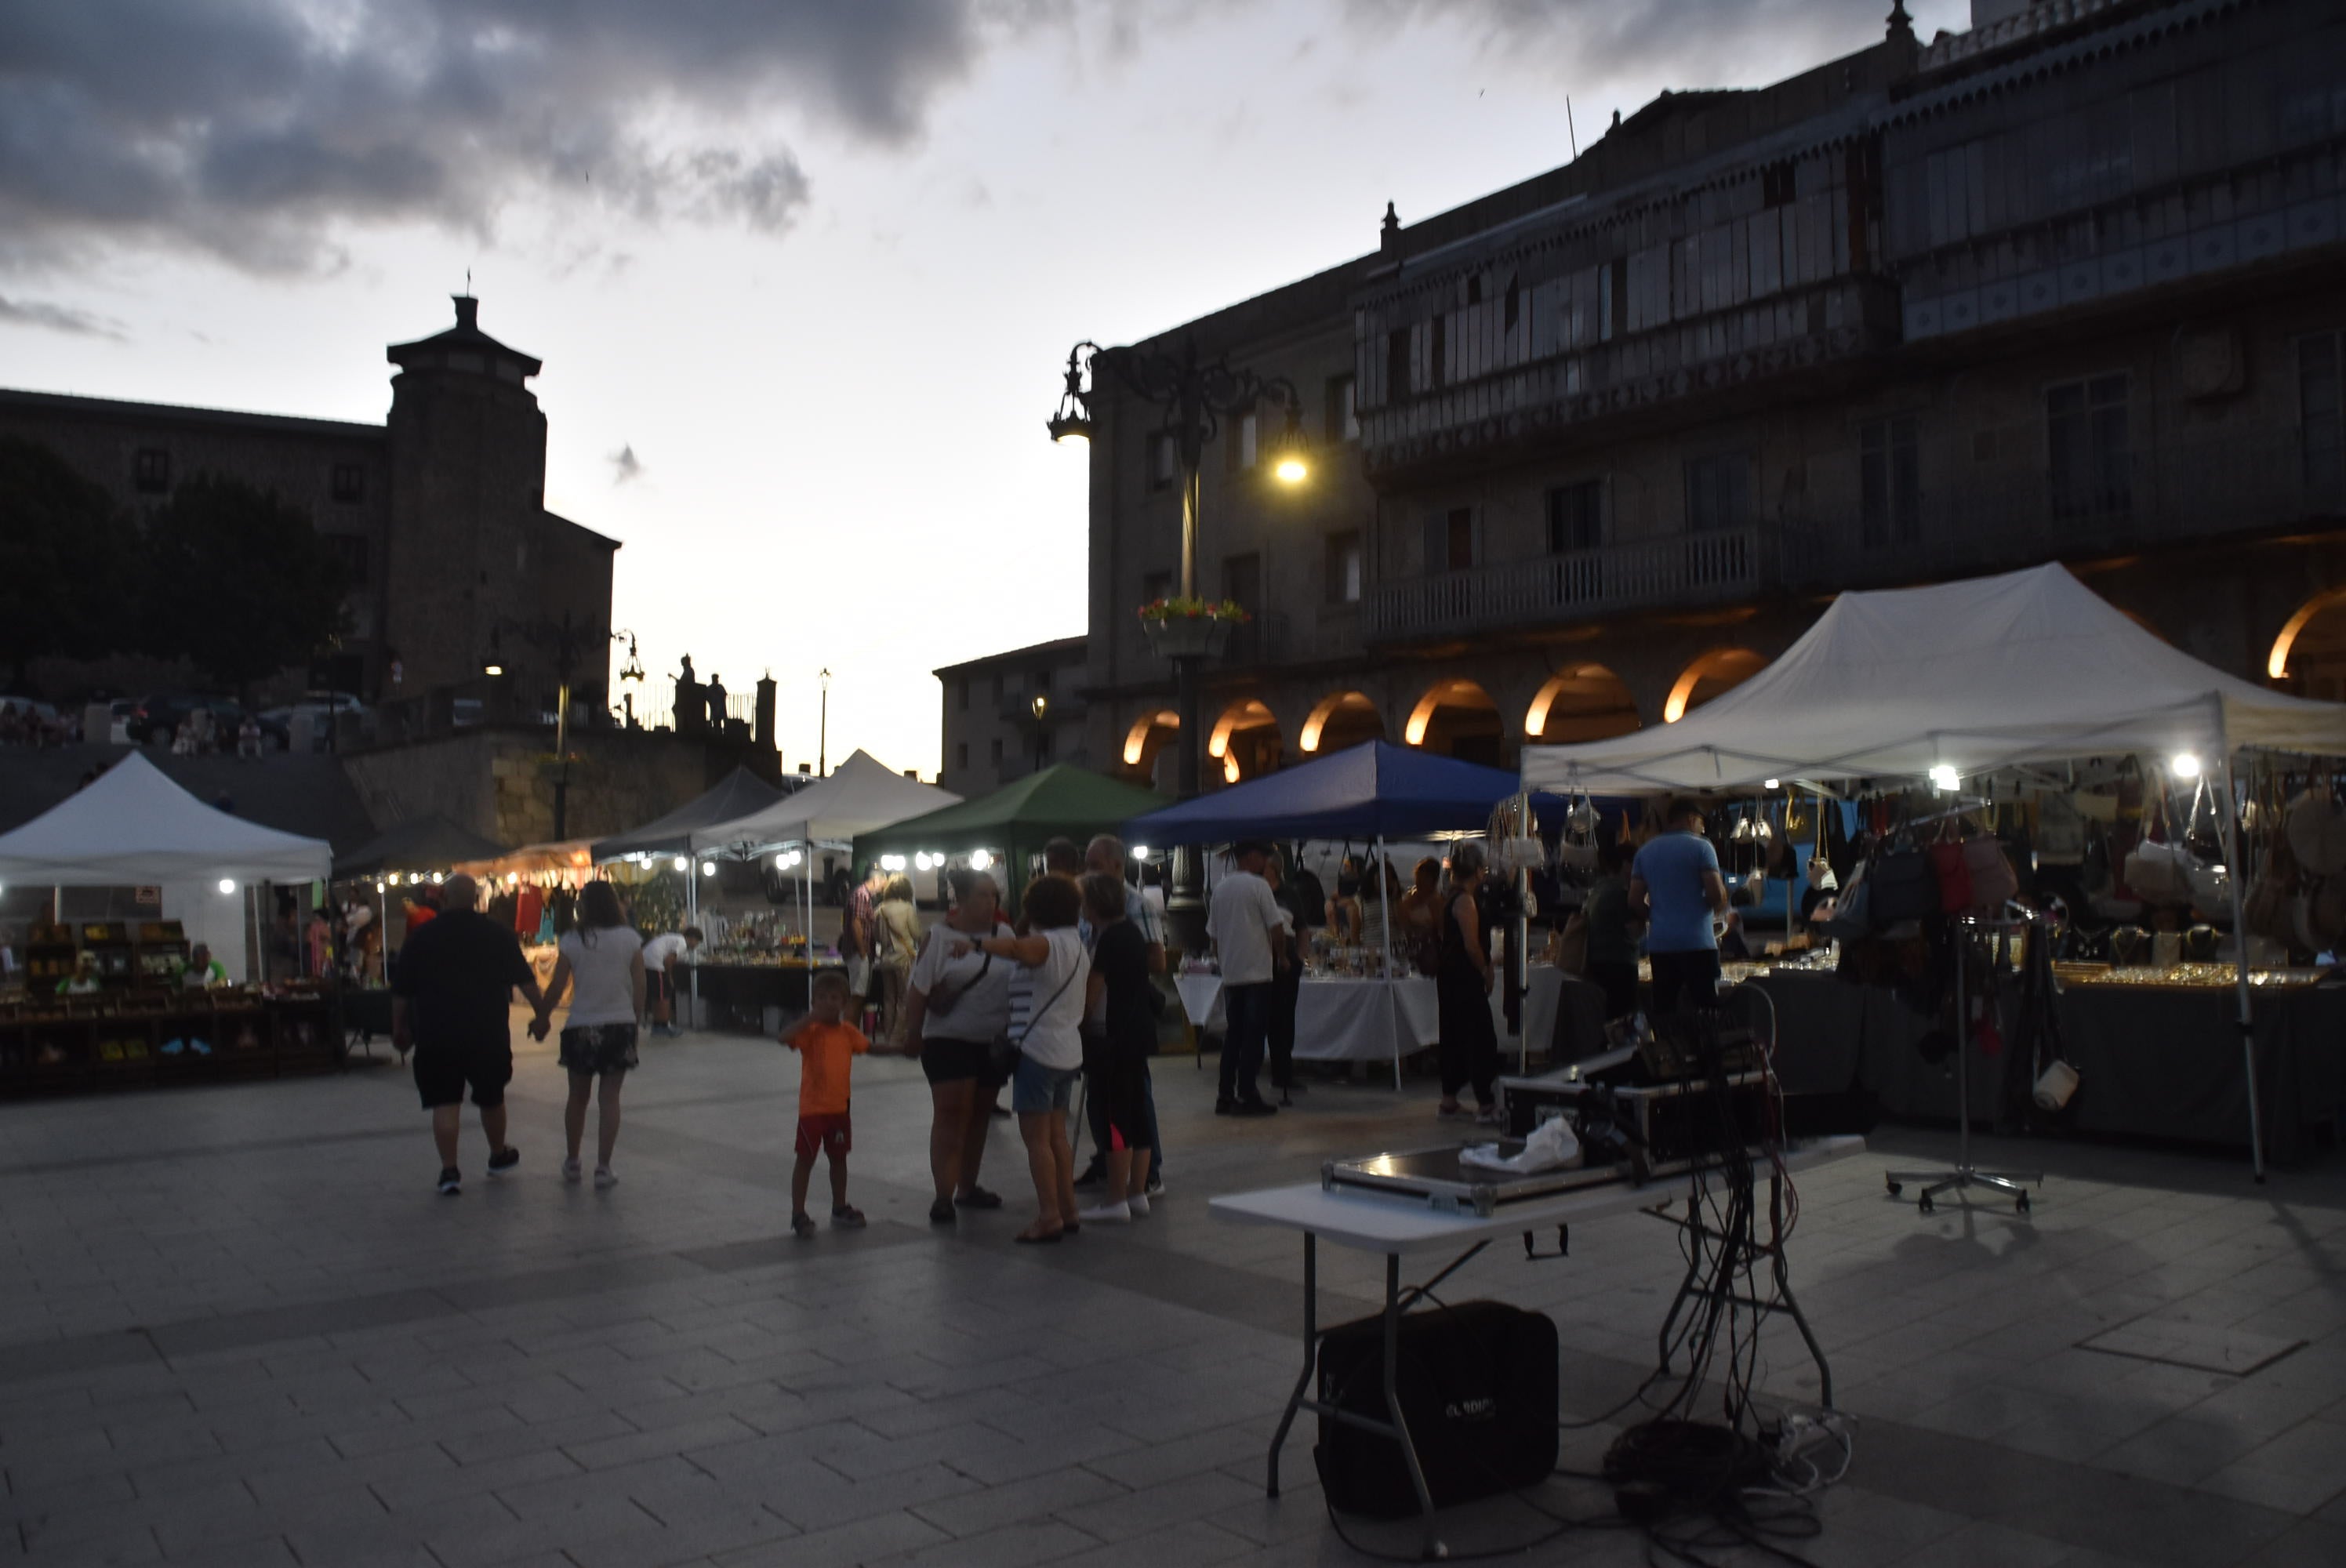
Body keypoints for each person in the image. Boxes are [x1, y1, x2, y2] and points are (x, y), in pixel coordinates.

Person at [391, 873, 549, 1196]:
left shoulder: (421, 937)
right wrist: (541, 1015)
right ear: (477, 899)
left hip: (437, 1032)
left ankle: (450, 1171)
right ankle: (497, 1154)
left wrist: (399, 1027)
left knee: (445, 1101)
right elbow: (525, 978)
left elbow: (402, 991)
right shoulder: (498, 934)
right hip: (486, 1031)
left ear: (443, 899)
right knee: (492, 1097)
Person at [954, 874, 1088, 1243]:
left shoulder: (1047, 943)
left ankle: (1049, 1216)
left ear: (1035, 909)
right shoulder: (1077, 943)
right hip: (1066, 1052)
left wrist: (974, 943)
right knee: (1057, 1138)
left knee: (1037, 1141)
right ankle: (1068, 1209)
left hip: (1037, 1053)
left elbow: (1019, 951)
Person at [899, 867, 1014, 1224]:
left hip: (992, 1041)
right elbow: (918, 990)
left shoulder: (1004, 933)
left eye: (994, 896)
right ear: (960, 900)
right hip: (947, 1040)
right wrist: (912, 1032)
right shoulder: (940, 937)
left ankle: (968, 1186)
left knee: (979, 1115)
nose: (991, 902)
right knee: (951, 1114)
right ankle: (943, 1195)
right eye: (983, 896)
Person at [532, 880, 645, 1188]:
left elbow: (557, 987)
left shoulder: (572, 939)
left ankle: (572, 1161)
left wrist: (541, 1017)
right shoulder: (630, 939)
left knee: (577, 1098)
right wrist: (636, 1020)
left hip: (581, 1025)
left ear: (585, 905)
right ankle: (604, 1167)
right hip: (619, 1024)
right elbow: (639, 984)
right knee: (610, 1098)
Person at [1074, 834, 1168, 1196]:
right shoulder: (1098, 921)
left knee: (1128, 1102)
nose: (1088, 872)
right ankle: (1112, 1165)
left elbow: (1155, 960)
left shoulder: (1131, 910)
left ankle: (1142, 1175)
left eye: (1094, 865)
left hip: (1116, 1023)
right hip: (1114, 1026)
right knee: (1104, 1099)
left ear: (1116, 865)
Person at [779, 971, 869, 1236]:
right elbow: (783, 1037)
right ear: (813, 1002)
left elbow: (868, 1047)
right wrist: (809, 1020)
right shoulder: (810, 1032)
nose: (828, 1003)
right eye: (821, 998)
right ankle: (798, 1213)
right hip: (812, 1111)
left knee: (839, 1159)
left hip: (839, 1110)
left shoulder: (848, 1032)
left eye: (834, 998)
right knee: (805, 1159)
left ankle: (839, 1206)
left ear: (844, 1003)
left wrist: (903, 1049)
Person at [1207, 840, 1289, 1117]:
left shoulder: (1219, 889)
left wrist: (1225, 960)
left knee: (1234, 1035)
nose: (1266, 863)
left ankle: (1225, 1094)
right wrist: (1282, 957)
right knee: (1254, 1036)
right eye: (1264, 857)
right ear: (1252, 857)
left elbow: (1213, 938)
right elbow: (1276, 927)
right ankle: (1248, 1092)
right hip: (1257, 973)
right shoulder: (1259, 886)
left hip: (1233, 974)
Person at [1630, 799, 1730, 1017]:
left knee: (1665, 1010)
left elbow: (1635, 900)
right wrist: (1719, 903)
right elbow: (1715, 894)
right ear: (1691, 819)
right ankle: (1707, 1051)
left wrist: (1655, 916)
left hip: (1661, 945)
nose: (1702, 829)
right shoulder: (1702, 847)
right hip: (1698, 943)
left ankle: (1669, 1050)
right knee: (1707, 1010)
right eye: (1701, 824)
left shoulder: (1645, 852)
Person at [1436, 842, 1502, 1124]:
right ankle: (1486, 1102)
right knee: (1479, 1037)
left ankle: (1449, 1100)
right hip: (1464, 977)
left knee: (1453, 1035)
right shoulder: (1465, 901)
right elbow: (1472, 944)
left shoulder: (1449, 897)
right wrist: (1486, 970)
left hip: (1449, 976)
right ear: (1477, 871)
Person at [1262, 852, 1307, 1106]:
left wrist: (1300, 956)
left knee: (1285, 1017)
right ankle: (1272, 1068)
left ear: (1276, 869)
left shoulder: (1289, 894)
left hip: (1288, 961)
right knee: (1267, 1017)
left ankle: (1284, 1070)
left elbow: (1302, 926)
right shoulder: (1257, 892)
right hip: (1261, 960)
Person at [1582, 840, 1641, 1021]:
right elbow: (1634, 931)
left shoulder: (1598, 889)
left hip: (1597, 964)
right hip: (1619, 964)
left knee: (1606, 1019)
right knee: (1622, 1021)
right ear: (1626, 864)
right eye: (1637, 864)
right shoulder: (1621, 893)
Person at [873, 873, 924, 1046]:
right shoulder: (908, 908)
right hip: (904, 959)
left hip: (886, 959)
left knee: (888, 999)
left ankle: (888, 1035)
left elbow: (877, 937)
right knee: (904, 998)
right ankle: (897, 1037)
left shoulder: (879, 909)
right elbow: (917, 934)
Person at [641, 925, 703, 1036]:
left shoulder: (675, 938)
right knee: (665, 994)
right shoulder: (682, 943)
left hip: (647, 961)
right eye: (697, 942)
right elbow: (669, 960)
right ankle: (663, 1026)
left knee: (658, 995)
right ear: (692, 938)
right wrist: (669, 977)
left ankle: (658, 1025)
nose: (696, 946)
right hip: (655, 963)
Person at [840, 865, 885, 1012]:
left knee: (860, 996)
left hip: (862, 953)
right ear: (876, 880)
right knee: (857, 996)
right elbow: (856, 923)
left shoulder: (865, 896)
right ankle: (849, 1030)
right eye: (882, 885)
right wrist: (863, 951)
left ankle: (853, 1030)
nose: (882, 889)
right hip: (857, 953)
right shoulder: (861, 895)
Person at [1396, 857, 1446, 975]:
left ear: (1433, 880)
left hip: (1433, 952)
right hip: (1411, 950)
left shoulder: (1438, 901)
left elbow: (1442, 929)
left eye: (1424, 878)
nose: (1419, 881)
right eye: (1417, 877)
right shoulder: (1408, 900)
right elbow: (1402, 925)